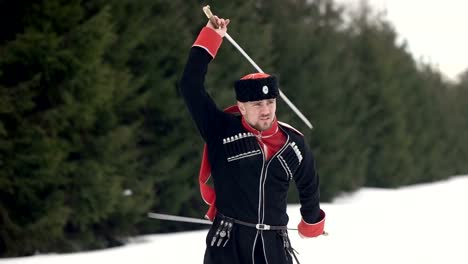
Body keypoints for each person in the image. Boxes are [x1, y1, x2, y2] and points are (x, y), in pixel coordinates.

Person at [179, 15, 326, 264]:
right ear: (241, 106)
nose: (266, 110)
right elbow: (190, 85)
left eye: (270, 102)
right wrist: (211, 36)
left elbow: (309, 184)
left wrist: (311, 220)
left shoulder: (293, 143)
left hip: (274, 248)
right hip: (228, 245)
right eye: (257, 104)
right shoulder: (220, 129)